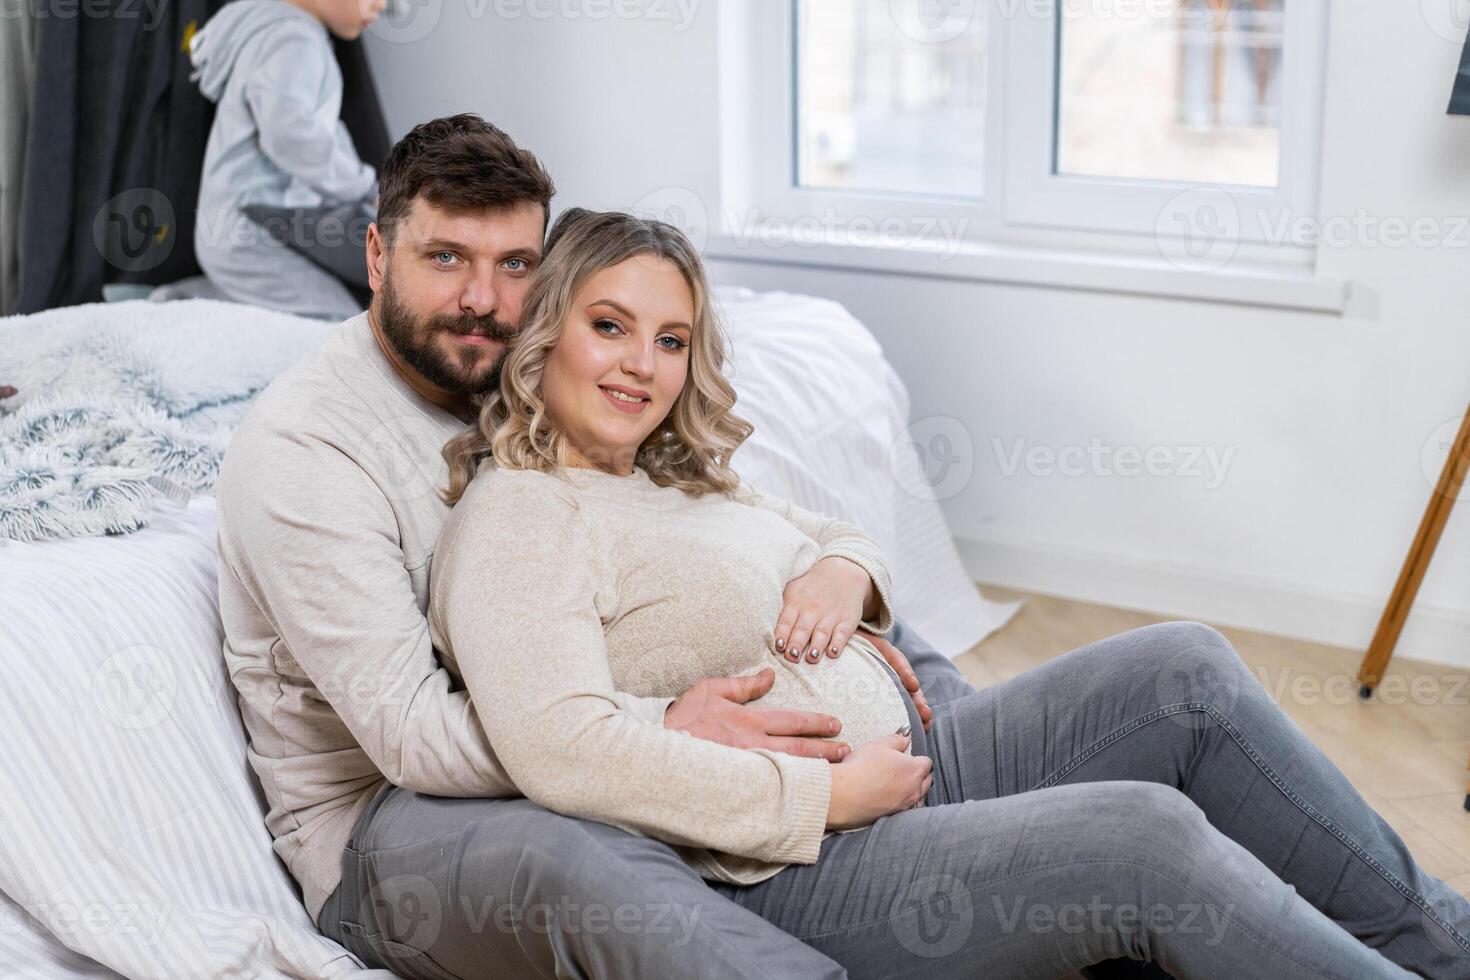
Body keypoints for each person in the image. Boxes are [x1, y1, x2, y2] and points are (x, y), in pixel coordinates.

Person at [414, 206, 1470, 979]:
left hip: (923, 755)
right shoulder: (523, 514)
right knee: (1141, 839)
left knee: (1184, 667)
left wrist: (844, 568)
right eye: (611, 325)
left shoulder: (669, 470)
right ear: (544, 332)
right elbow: (561, 746)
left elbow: (832, 532)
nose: (644, 364)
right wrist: (826, 796)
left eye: (672, 338)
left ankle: (1448, 942)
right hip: (799, 857)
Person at [215, 112, 956, 980]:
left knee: (902, 651)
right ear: (378, 257)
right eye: (445, 258)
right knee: (584, 862)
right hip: (385, 822)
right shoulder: (307, 451)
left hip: (561, 729)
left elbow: (736, 522)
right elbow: (412, 736)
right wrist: (656, 721)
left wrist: (840, 578)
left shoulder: (516, 374)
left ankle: (1005, 860)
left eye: (515, 266)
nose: (483, 301)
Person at [188, 0, 385, 318]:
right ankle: (167, 306)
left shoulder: (288, 34)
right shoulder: (293, 39)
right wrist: (363, 188)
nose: (383, 6)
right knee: (333, 321)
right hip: (251, 231)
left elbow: (317, 135)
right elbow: (291, 134)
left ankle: (184, 300)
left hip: (247, 227)